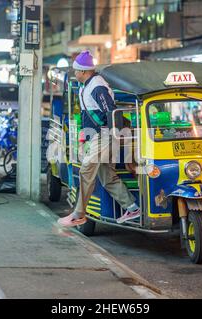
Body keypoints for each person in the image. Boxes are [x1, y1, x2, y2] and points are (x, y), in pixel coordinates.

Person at [57, 51, 140, 227]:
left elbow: (111, 111)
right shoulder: (87, 86)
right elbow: (90, 114)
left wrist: (115, 138)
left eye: (76, 71)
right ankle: (132, 207)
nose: (75, 74)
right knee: (106, 176)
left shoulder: (97, 86)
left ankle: (79, 214)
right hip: (100, 136)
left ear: (83, 71)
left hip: (105, 136)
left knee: (86, 170)